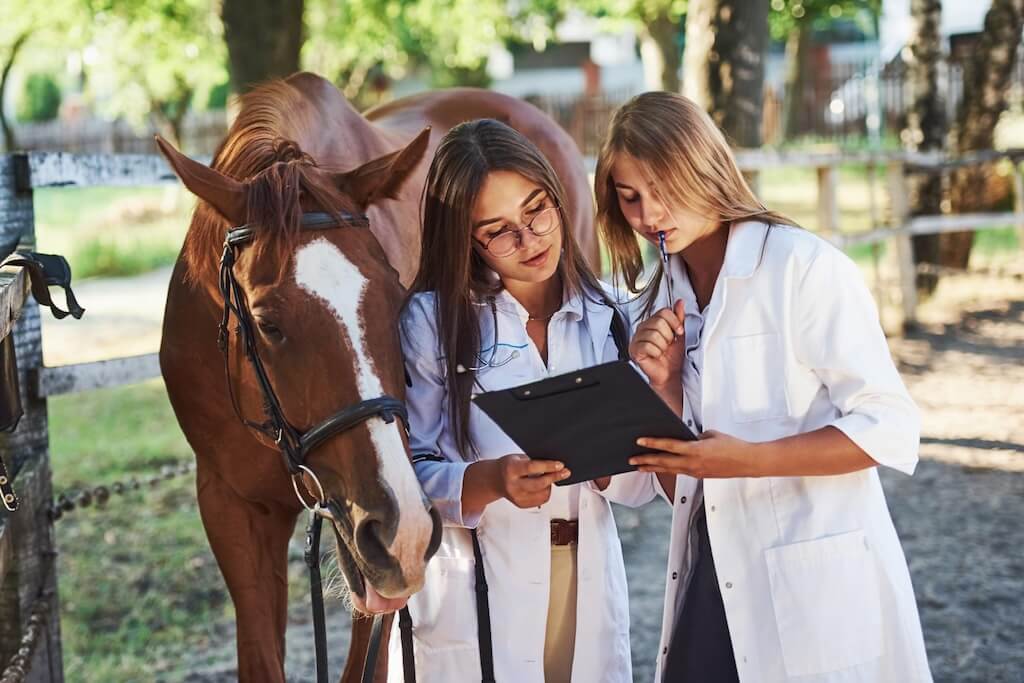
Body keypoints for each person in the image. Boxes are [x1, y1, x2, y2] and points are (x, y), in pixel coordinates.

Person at [593, 91, 933, 682]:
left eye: (663, 187)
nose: (650, 214)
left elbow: (892, 427)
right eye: (630, 197)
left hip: (816, 588)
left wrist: (749, 461)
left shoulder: (804, 269)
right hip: (711, 585)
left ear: (705, 167)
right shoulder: (653, 302)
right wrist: (667, 387)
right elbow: (682, 489)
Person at [390, 118, 645, 682]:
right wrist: (492, 480)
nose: (530, 240)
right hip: (480, 580)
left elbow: (641, 483)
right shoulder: (433, 324)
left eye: (537, 211)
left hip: (586, 572)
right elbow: (408, 477)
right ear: (465, 241)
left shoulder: (608, 317)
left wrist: (605, 462)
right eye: (499, 231)